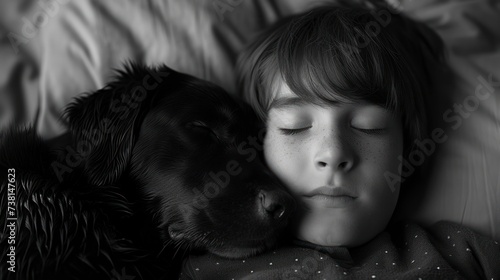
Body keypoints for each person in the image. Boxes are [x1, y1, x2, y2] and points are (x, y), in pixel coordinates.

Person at [180, 1, 500, 279]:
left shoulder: (464, 253)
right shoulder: (201, 268)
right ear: (256, 150)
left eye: (368, 126)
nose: (332, 153)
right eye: (294, 127)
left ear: (409, 151)